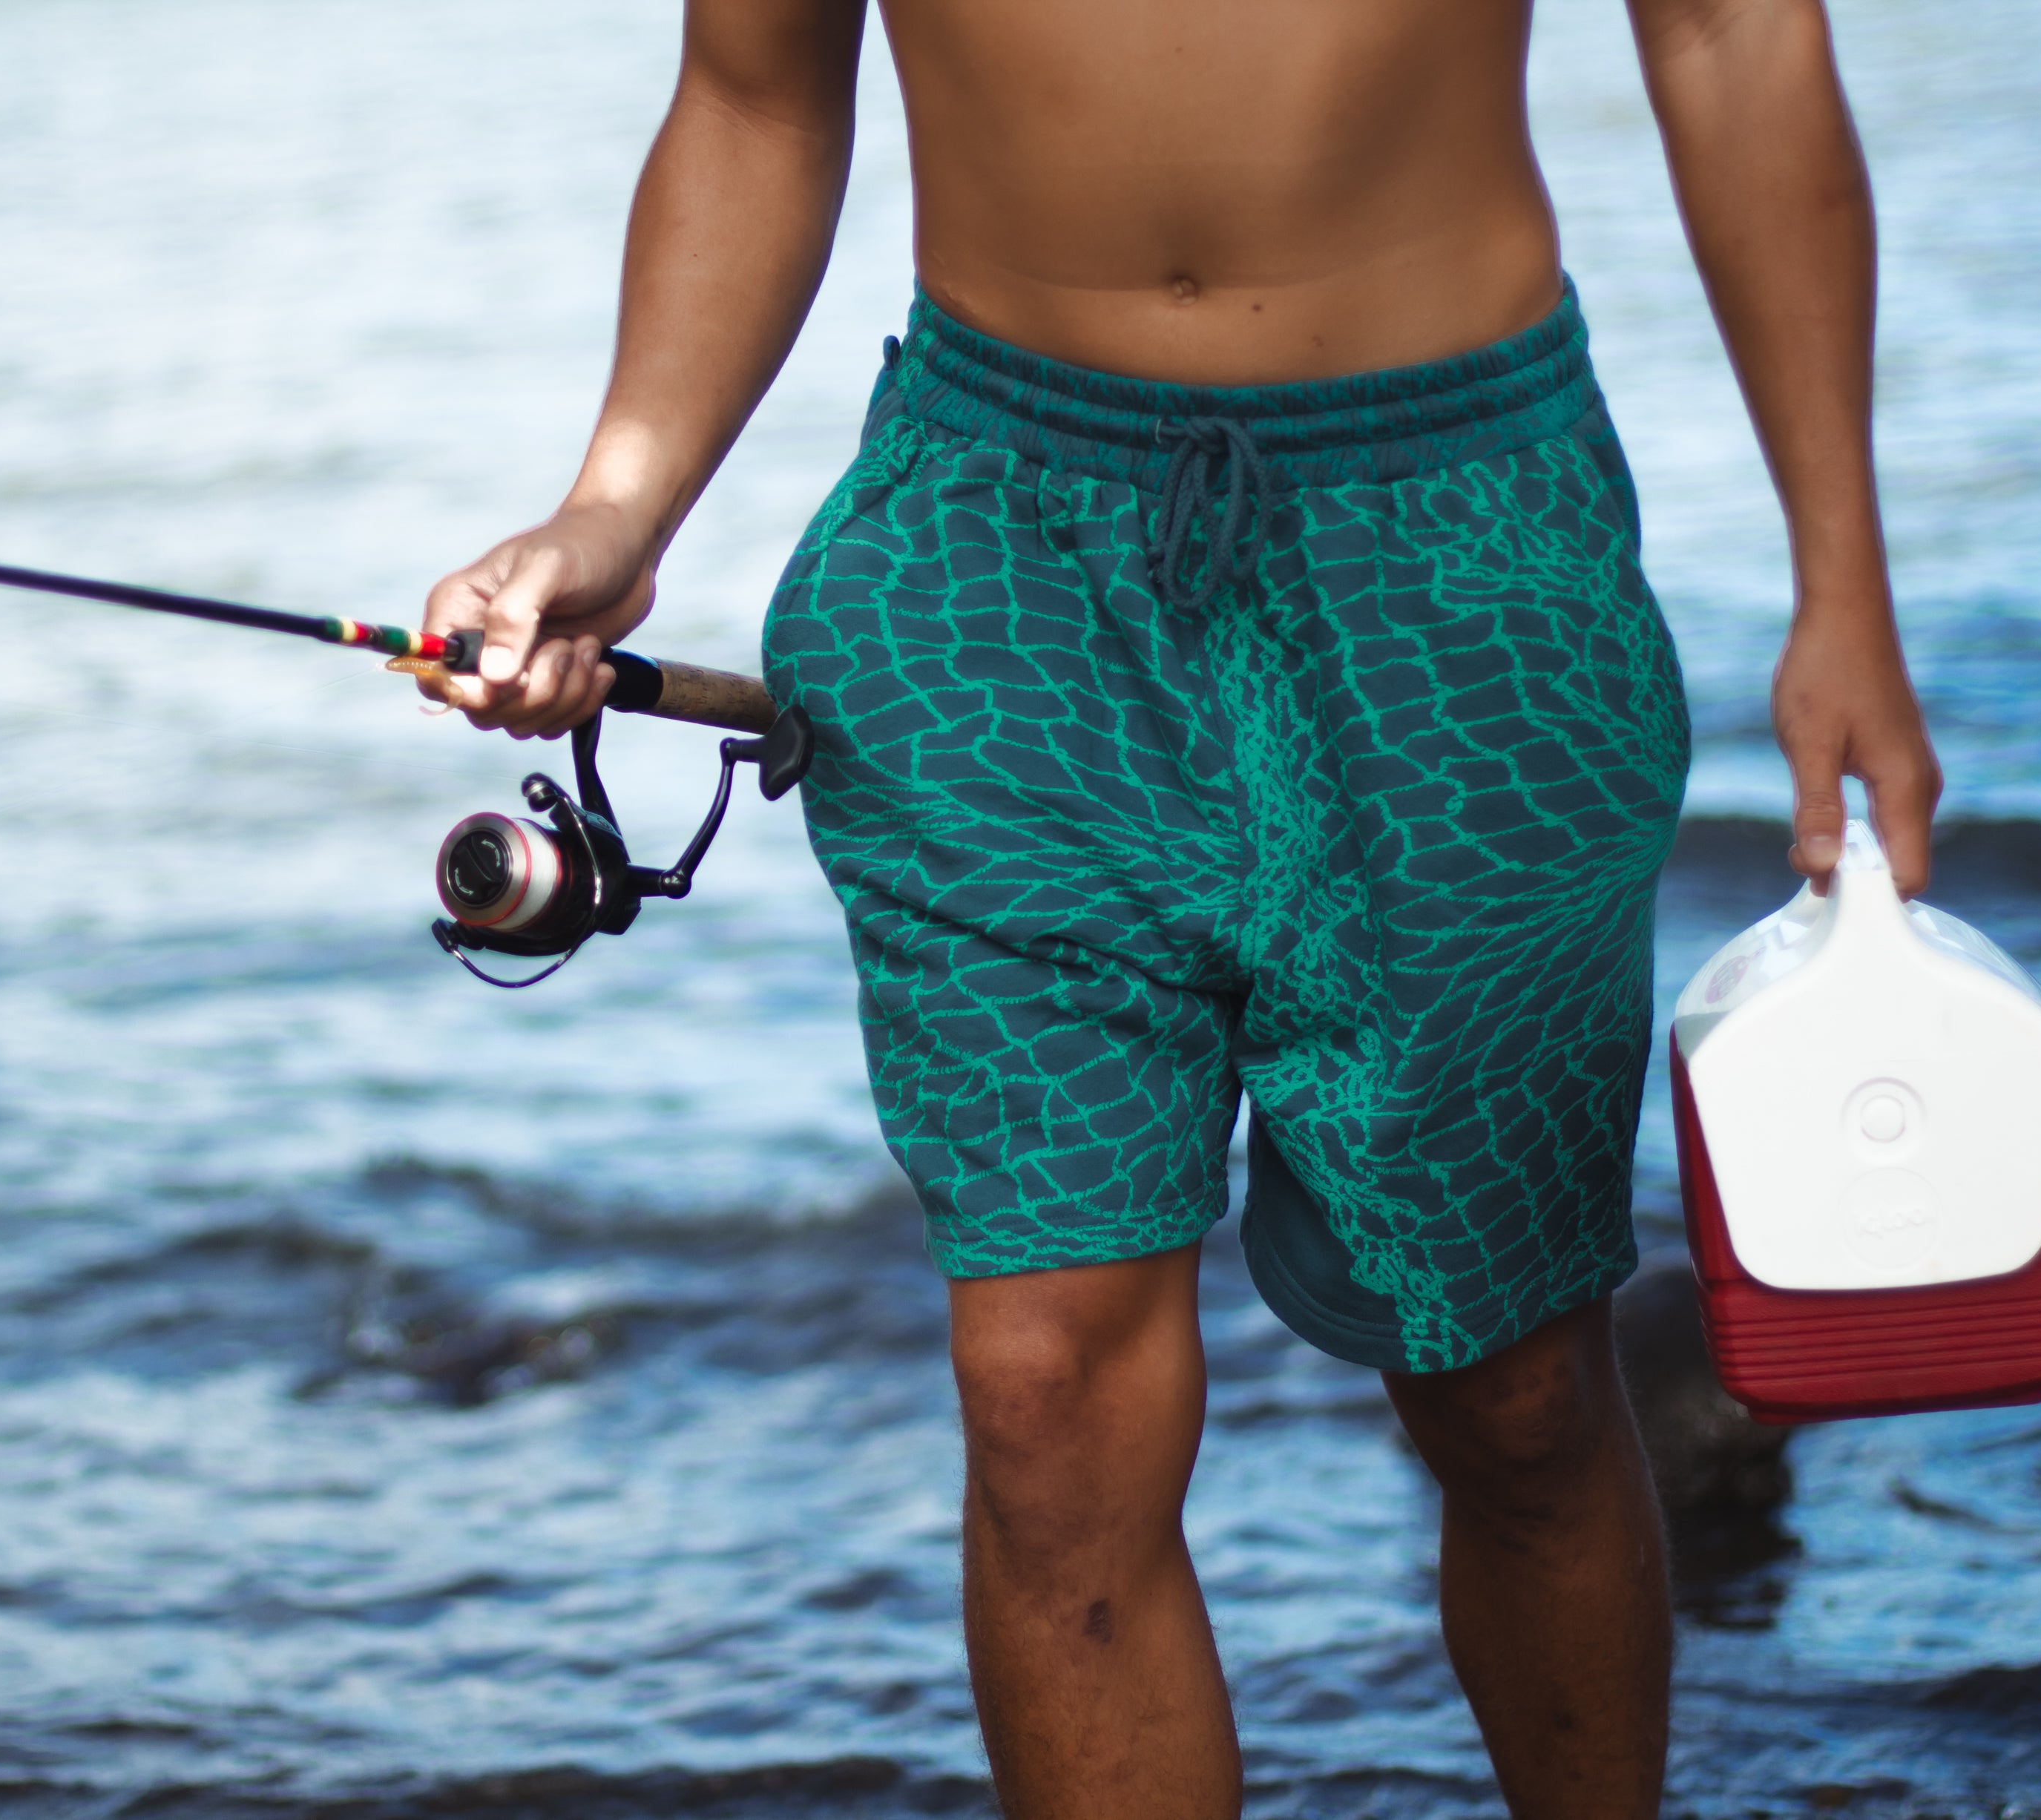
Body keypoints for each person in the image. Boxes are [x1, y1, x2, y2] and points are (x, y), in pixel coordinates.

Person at [420, 1, 1940, 1813]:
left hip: (1458, 552)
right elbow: (751, 99)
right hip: (993, 564)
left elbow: (1729, 36)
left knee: (1512, 1387)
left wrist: (1839, 578)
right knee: (1042, 1395)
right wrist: (616, 504)